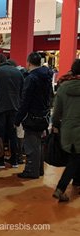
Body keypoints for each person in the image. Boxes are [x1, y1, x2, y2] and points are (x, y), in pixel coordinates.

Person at [14, 52, 53, 179]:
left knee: (31, 144)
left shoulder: (31, 78)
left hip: (32, 116)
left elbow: (25, 100)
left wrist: (18, 119)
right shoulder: (47, 76)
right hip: (43, 115)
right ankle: (39, 169)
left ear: (29, 62)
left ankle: (31, 170)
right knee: (39, 144)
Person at [52, 59, 80, 202]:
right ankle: (61, 188)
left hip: (67, 129)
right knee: (74, 160)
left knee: (75, 156)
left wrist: (55, 125)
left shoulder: (63, 86)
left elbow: (57, 111)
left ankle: (77, 181)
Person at [0, 54, 24, 169]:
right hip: (15, 107)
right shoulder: (18, 72)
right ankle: (14, 159)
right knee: (12, 134)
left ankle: (0, 160)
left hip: (0, 107)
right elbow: (22, 91)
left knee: (0, 135)